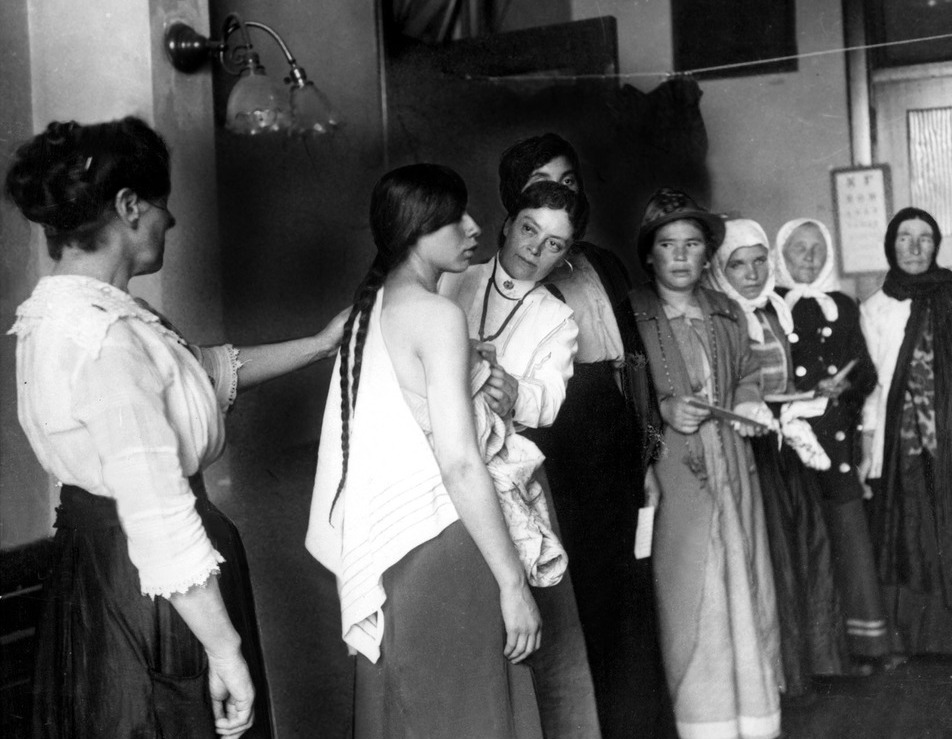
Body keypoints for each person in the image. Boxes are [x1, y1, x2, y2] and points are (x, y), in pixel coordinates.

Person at [5, 117, 347, 738]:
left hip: (111, 576)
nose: (173, 220)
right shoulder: (103, 339)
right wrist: (224, 651)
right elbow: (160, 516)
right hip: (153, 597)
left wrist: (321, 345)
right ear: (129, 206)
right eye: (162, 204)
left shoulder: (73, 311)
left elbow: (193, 380)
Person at [307, 164, 544, 738]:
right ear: (415, 230)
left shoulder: (368, 312)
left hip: (397, 556)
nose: (473, 227)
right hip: (448, 545)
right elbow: (460, 463)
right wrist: (513, 585)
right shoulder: (438, 316)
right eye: (454, 219)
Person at [445, 131, 663, 738]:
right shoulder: (461, 278)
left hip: (602, 437)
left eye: (568, 184)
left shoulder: (595, 273)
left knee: (620, 596)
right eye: (542, 187)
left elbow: (632, 364)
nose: (556, 196)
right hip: (538, 456)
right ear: (512, 210)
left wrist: (646, 452)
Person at [619, 188, 782, 739]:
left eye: (693, 244)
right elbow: (617, 395)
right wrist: (662, 408)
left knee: (742, 577)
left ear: (707, 253)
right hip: (673, 473)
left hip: (733, 465)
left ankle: (752, 718)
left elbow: (747, 375)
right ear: (650, 254)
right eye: (669, 245)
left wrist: (747, 399)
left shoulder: (727, 310)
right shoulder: (631, 315)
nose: (682, 256)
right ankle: (701, 722)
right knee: (692, 588)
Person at [706, 218, 848, 697]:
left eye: (759, 261)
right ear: (721, 271)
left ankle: (816, 659)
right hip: (753, 445)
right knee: (773, 555)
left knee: (808, 542)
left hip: (787, 442)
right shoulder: (723, 317)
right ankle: (782, 671)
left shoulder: (776, 310)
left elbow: (786, 381)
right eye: (737, 264)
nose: (751, 273)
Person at [860, 207, 952, 664]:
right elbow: (872, 386)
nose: (915, 248)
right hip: (901, 448)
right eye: (905, 237)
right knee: (907, 537)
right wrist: (868, 446)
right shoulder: (875, 307)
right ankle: (910, 642)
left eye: (925, 238)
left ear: (936, 245)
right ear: (891, 244)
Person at [773, 218, 891, 671]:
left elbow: (866, 369)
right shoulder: (773, 304)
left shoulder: (843, 303)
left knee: (847, 538)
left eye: (818, 249)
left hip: (838, 437)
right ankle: (820, 653)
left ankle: (864, 645)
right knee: (809, 540)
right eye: (799, 249)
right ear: (782, 255)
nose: (809, 257)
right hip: (796, 444)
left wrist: (847, 384)